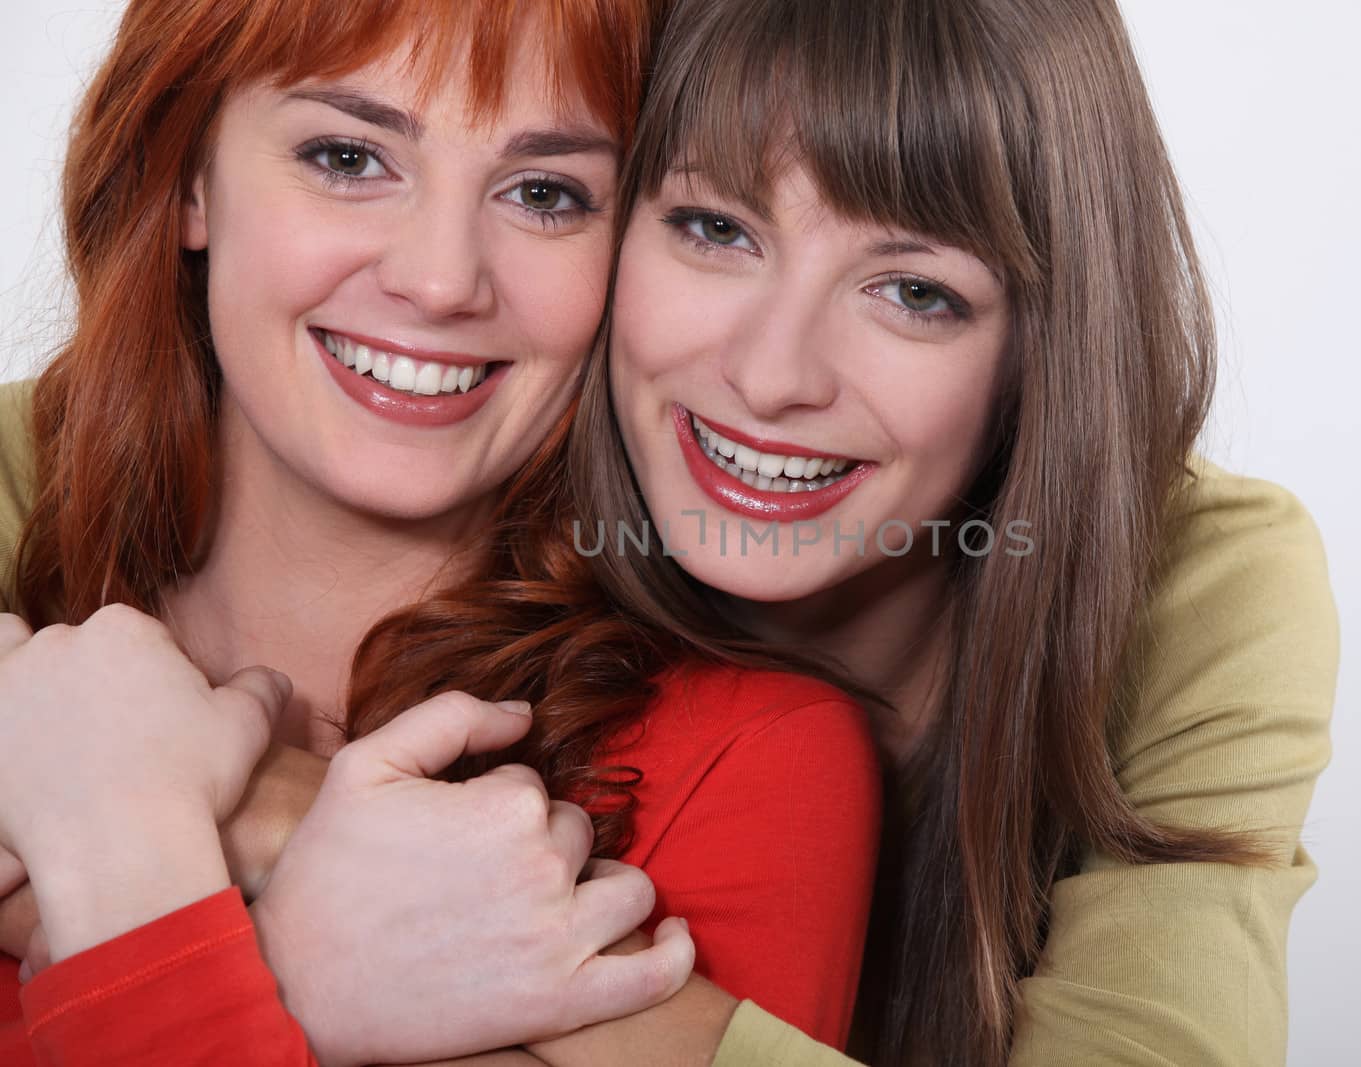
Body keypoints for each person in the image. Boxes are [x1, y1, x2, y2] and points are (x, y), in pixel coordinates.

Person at [10, 0, 1339, 1063]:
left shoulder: (1173, 596)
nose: (771, 374)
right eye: (713, 227)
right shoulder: (37, 503)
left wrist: (171, 854)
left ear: (1040, 356)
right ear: (183, 175)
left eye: (916, 291)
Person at [0, 0, 880, 1062]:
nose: (440, 279)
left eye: (544, 193)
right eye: (346, 156)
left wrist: (133, 847)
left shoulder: (749, 766)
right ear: (189, 176)